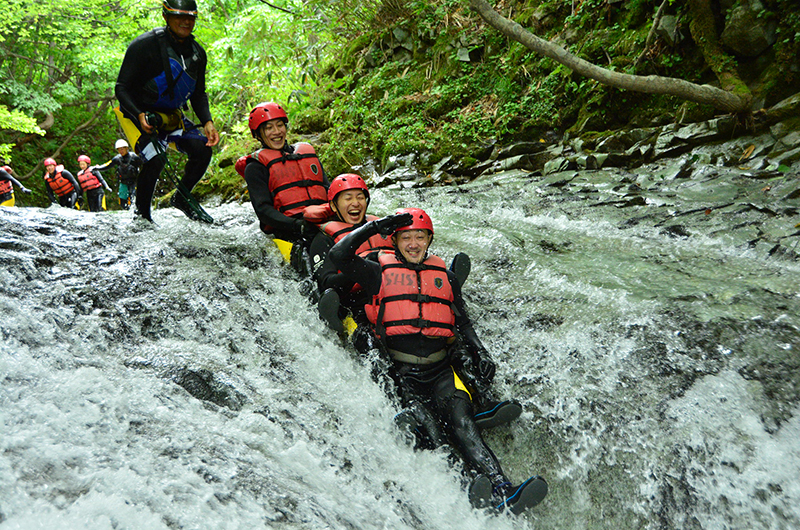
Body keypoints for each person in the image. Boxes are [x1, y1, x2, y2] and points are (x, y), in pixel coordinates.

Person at [329, 208, 547, 514]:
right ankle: (469, 495)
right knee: (433, 431)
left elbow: (462, 320)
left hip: (441, 369)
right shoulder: (376, 271)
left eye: (421, 236)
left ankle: (502, 487)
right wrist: (375, 226)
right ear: (395, 241)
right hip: (402, 373)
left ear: (430, 239)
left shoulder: (445, 276)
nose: (414, 243)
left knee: (464, 423)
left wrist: (480, 350)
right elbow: (339, 255)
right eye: (407, 237)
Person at [114, 0, 220, 223]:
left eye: (190, 17)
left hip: (170, 117)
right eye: (180, 16)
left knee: (202, 150)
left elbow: (198, 93)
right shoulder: (144, 46)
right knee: (156, 158)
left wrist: (207, 121)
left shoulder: (198, 54)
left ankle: (181, 197)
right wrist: (139, 114)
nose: (185, 21)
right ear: (166, 17)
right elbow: (121, 88)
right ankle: (142, 216)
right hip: (135, 114)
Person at [236, 101, 329, 268]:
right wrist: (297, 226)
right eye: (269, 128)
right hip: (289, 231)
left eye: (280, 125)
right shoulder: (255, 167)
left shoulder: (307, 154)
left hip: (323, 224)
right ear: (258, 134)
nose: (277, 132)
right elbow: (263, 210)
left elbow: (328, 190)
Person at [93, 139, 142, 210]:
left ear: (126, 148)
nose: (121, 151)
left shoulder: (134, 157)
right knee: (122, 202)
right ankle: (127, 212)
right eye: (119, 149)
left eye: (122, 149)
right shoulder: (117, 158)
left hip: (134, 182)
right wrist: (97, 168)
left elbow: (143, 165)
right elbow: (107, 165)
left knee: (134, 198)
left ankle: (136, 212)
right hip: (123, 182)